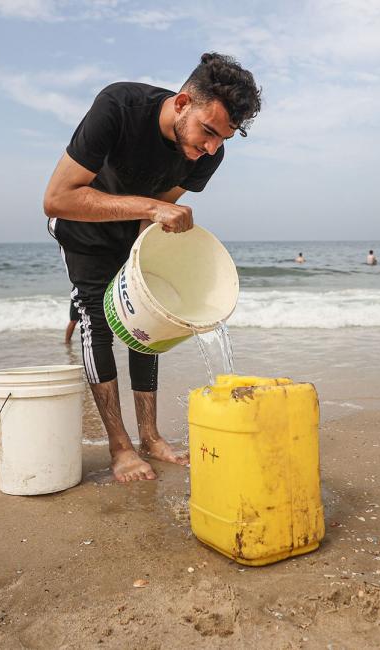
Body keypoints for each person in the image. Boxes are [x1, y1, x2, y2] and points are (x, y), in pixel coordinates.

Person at [42, 52, 261, 483]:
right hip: (81, 223)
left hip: (133, 229)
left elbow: (163, 205)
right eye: (209, 132)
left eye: (224, 140)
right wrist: (152, 208)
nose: (211, 149)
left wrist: (152, 267)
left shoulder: (207, 154)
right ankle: (120, 448)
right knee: (97, 320)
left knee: (147, 324)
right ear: (182, 103)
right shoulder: (119, 107)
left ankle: (150, 437)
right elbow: (57, 198)